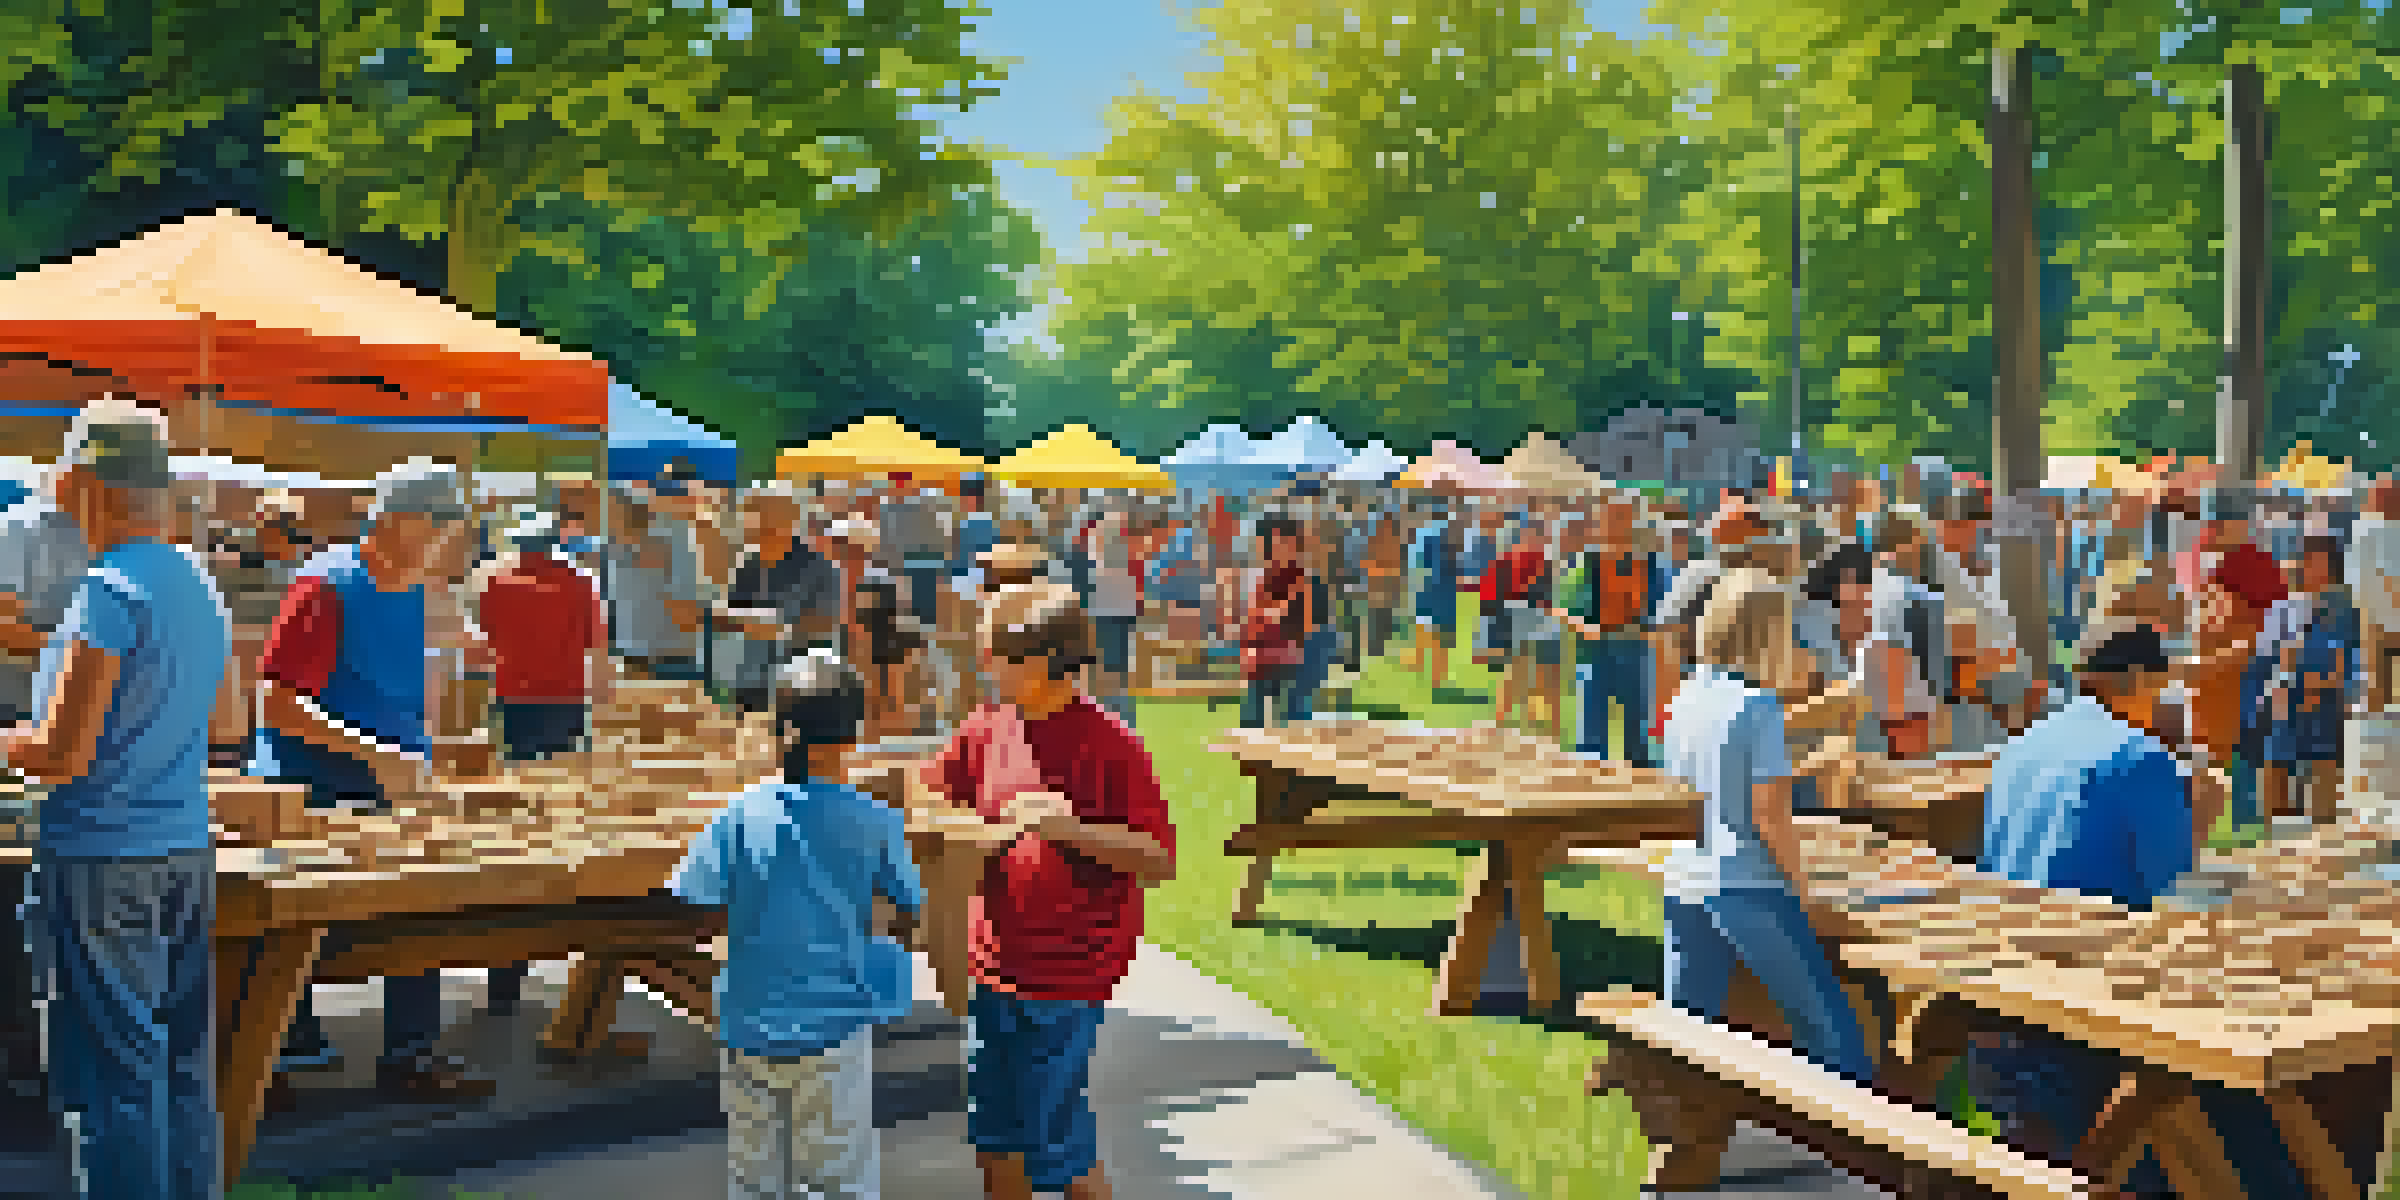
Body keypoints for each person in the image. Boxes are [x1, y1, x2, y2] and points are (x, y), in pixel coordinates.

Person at [1973, 626, 2307, 1196]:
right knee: (2245, 1080)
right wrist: (2202, 812)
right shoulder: (2138, 757)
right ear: (2146, 684)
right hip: (2092, 1001)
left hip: (2006, 982)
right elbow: (2176, 888)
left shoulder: (2022, 744)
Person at [7, 403, 229, 1199]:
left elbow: (62, 754)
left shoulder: (107, 590)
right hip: (182, 849)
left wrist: (9, 742)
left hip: (103, 858)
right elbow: (230, 719)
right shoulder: (196, 582)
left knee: (113, 1086)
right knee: (179, 1072)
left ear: (83, 485)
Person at [247, 460, 496, 1099]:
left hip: (387, 782)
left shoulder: (413, 586)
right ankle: (282, 1041)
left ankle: (409, 1056)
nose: (450, 540)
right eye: (441, 525)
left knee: (423, 908)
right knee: (298, 919)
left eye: (455, 527)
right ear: (392, 521)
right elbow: (276, 702)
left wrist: (424, 744)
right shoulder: (325, 587)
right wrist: (366, 747)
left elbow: (393, 683)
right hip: (315, 784)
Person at [922, 583, 1174, 1200]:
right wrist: (971, 833)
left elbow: (1158, 860)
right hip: (993, 970)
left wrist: (1070, 831)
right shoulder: (985, 731)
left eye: (995, 656)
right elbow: (927, 794)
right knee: (996, 1141)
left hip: (1066, 978)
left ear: (1043, 664)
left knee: (1057, 1148)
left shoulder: (1113, 747)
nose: (984, 666)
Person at [666, 652, 923, 1200]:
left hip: (749, 1028)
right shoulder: (876, 820)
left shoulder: (736, 815)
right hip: (834, 1032)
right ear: (853, 735)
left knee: (753, 1179)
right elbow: (910, 908)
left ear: (776, 731)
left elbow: (693, 898)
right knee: (838, 1181)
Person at [1658, 573, 1875, 1085]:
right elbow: (1769, 811)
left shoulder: (1689, 693)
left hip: (1688, 875)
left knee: (1688, 1030)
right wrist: (1801, 884)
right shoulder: (1757, 704)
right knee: (1833, 1032)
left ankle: (1683, 1130)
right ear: (1769, 633)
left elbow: (1706, 782)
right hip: (1748, 883)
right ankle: (1853, 1155)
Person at [2255, 535, 2359, 827]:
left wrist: (2331, 686)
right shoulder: (2284, 609)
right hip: (2287, 696)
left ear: (2332, 566)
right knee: (2276, 761)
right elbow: (2265, 658)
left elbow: (2352, 659)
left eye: (2314, 560)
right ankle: (2277, 835)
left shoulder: (2348, 611)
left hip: (2327, 700)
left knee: (2323, 761)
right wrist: (2278, 687)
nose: (2305, 566)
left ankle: (2323, 835)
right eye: (2304, 560)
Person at [1558, 501, 1666, 764]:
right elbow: (1563, 609)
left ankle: (1643, 792)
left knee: (1639, 737)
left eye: (1623, 519)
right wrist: (1584, 625)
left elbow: (1664, 609)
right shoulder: (1587, 563)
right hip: (1597, 655)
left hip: (1635, 651)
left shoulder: (1649, 564)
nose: (1617, 526)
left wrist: (1655, 632)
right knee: (1592, 739)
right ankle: (1589, 794)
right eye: (1611, 519)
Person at [717, 490, 844, 715]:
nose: (757, 524)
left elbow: (824, 627)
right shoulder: (748, 567)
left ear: (791, 519)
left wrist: (777, 629)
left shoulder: (820, 568)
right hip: (749, 685)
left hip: (802, 688)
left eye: (766, 516)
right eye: (753, 516)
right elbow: (733, 618)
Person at [1240, 516, 1310, 729]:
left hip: (1287, 655)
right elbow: (1254, 615)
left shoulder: (1300, 577)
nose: (1283, 549)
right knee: (1253, 717)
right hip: (1261, 654)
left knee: (1289, 720)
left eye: (1288, 543)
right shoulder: (1261, 574)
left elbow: (1299, 618)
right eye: (1278, 543)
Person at [2354, 477, 2400, 714]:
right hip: (2376, 618)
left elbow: (2354, 579)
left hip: (2373, 618)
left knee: (2376, 690)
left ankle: (2376, 732)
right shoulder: (2372, 532)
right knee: (2379, 689)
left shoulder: (2364, 531)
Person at [1405, 498, 1459, 691]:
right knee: (1442, 634)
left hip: (1424, 588)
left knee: (1423, 626)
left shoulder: (1422, 534)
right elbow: (1457, 566)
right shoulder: (1449, 535)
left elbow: (1413, 564)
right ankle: (1438, 678)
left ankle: (1419, 665)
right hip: (1444, 590)